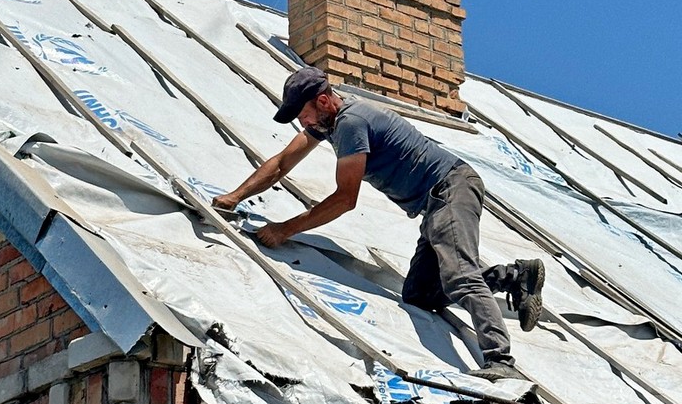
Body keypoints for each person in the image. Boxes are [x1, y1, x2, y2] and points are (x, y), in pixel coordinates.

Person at [212, 66, 543, 380]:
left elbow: (345, 198)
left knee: (460, 275)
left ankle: (501, 360)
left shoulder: (351, 123)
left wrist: (285, 229)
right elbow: (283, 162)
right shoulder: (327, 122)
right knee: (418, 296)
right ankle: (514, 277)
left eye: (305, 114)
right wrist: (234, 197)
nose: (304, 122)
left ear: (324, 101)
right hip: (434, 203)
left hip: (451, 188)